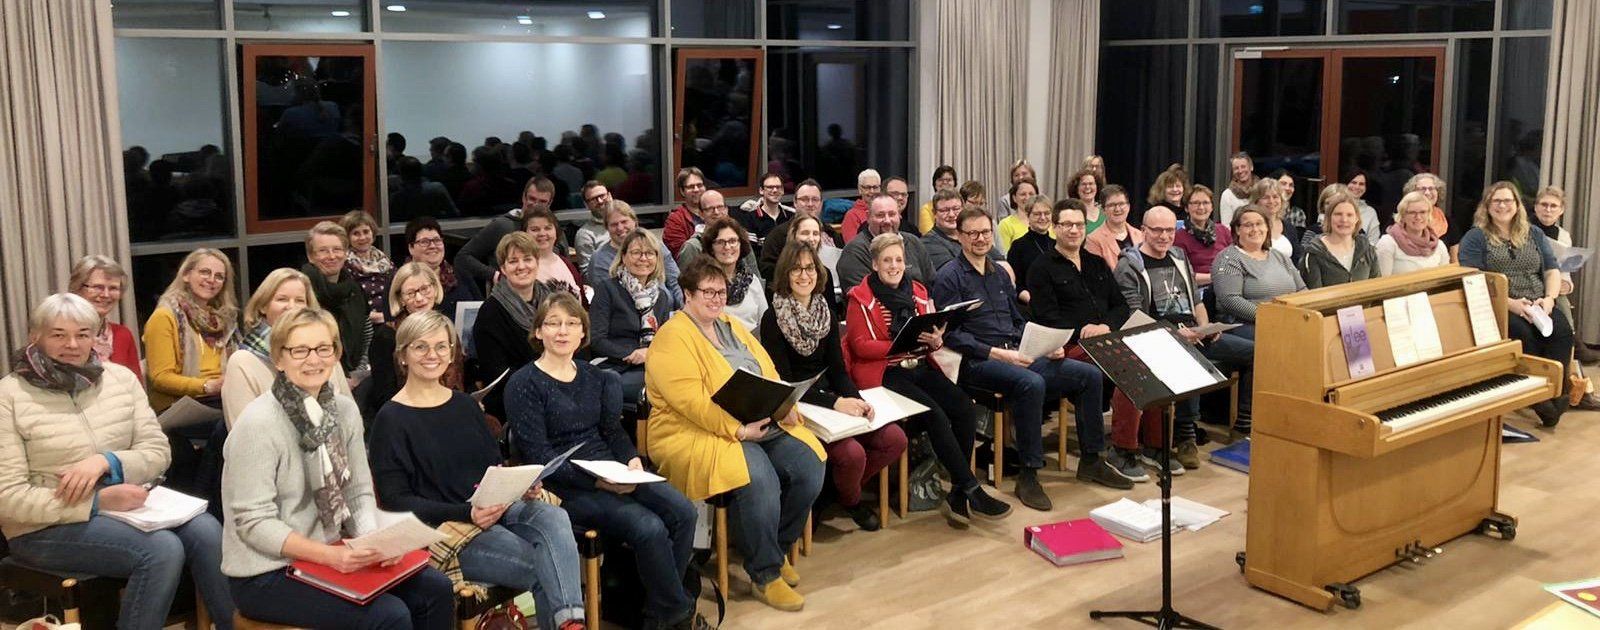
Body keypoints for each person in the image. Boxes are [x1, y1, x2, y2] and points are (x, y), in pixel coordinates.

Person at [1, 294, 236, 630]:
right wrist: (96, 502)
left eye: (83, 334)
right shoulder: (9, 395)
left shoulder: (120, 379)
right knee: (160, 550)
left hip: (129, 509)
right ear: (34, 337)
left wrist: (107, 462)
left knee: (208, 531)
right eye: (58, 335)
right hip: (44, 527)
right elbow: (8, 498)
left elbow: (157, 450)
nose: (72, 345)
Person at [222, 308, 454, 629]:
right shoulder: (258, 423)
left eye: (323, 348)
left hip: (331, 550)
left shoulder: (344, 410)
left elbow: (357, 492)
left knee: (436, 589)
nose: (313, 360)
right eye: (300, 350)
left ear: (336, 354)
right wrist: (329, 556)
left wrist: (374, 542)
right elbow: (253, 523)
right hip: (265, 571)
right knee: (389, 615)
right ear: (279, 359)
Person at [369, 310, 589, 630]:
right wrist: (466, 513)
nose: (433, 355)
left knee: (553, 515)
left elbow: (493, 466)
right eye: (420, 347)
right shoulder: (390, 419)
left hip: (494, 508)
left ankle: (570, 624)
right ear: (403, 356)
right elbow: (394, 500)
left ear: (452, 353)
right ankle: (572, 624)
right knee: (547, 568)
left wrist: (520, 484)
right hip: (448, 528)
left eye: (441, 346)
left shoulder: (465, 405)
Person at [504, 294, 703, 630]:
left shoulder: (594, 376)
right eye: (553, 323)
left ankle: (658, 612)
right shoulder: (524, 383)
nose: (562, 331)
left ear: (583, 332)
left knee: (684, 512)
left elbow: (612, 431)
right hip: (564, 485)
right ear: (538, 331)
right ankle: (677, 615)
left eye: (571, 323)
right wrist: (598, 482)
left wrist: (631, 459)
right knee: (649, 527)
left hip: (611, 467)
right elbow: (540, 457)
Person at [643, 257, 826, 612]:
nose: (716, 299)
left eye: (721, 292)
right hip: (697, 430)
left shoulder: (732, 325)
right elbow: (691, 403)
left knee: (810, 464)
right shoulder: (672, 336)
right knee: (759, 476)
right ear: (687, 294)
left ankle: (773, 548)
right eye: (708, 292)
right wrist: (737, 429)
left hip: (757, 420)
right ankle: (765, 573)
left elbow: (767, 369)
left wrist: (785, 403)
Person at [933, 208, 1106, 512]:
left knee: (1088, 375)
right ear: (959, 236)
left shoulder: (1000, 273)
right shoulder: (950, 276)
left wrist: (1045, 345)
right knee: (1031, 383)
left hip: (1015, 352)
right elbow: (951, 335)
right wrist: (999, 354)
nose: (980, 238)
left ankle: (1092, 460)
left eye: (985, 232)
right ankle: (1029, 473)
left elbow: (1017, 320)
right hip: (977, 361)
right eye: (972, 233)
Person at [842, 233, 1013, 524]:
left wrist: (936, 340)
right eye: (887, 261)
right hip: (885, 372)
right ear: (875, 264)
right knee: (935, 414)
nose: (894, 266)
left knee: (963, 406)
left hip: (919, 364)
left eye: (898, 260)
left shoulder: (918, 291)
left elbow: (930, 337)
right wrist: (900, 346)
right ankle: (971, 488)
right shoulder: (860, 297)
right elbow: (860, 346)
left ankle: (958, 489)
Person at [762, 242, 906, 532]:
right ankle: (851, 500)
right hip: (798, 403)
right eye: (796, 269)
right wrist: (836, 403)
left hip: (831, 394)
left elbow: (838, 371)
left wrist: (856, 399)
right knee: (852, 454)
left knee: (895, 438)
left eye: (810, 268)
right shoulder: (773, 318)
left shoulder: (825, 311)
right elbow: (786, 383)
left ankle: (832, 494)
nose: (804, 275)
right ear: (785, 273)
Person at [1113, 207, 1256, 462]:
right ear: (1143, 231)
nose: (1164, 236)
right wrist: (1175, 334)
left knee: (1256, 352)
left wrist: (1205, 327)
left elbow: (1196, 302)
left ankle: (1245, 421)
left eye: (1170, 230)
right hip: (1157, 337)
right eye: (1157, 230)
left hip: (1193, 332)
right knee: (1189, 356)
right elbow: (1136, 315)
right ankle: (1185, 433)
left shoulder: (1179, 256)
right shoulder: (1129, 265)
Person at [1023, 203, 1142, 486]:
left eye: (1079, 224)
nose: (1074, 230)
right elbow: (1047, 317)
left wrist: (1105, 326)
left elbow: (1120, 305)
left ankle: (1149, 445)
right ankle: (1122, 451)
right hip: (1067, 345)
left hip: (1105, 338)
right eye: (1067, 225)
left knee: (1146, 360)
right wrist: (1085, 331)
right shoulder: (1041, 268)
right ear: (1055, 228)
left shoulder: (1095, 262)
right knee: (1129, 367)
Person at [1458, 182, 1573, 427]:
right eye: (1497, 201)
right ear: (1487, 206)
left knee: (1562, 332)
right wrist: (1510, 304)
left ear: (1517, 205)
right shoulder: (1476, 237)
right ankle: (1538, 398)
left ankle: (1558, 390)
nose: (1502, 206)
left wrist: (1549, 299)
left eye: (1508, 201)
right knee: (1523, 336)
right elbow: (1474, 279)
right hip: (1499, 304)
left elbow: (1552, 269)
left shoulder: (1534, 233)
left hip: (1538, 302)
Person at [224, 268, 351, 429]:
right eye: (282, 299)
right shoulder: (243, 362)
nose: (292, 307)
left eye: (299, 300)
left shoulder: (325, 353)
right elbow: (242, 434)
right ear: (263, 306)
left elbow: (350, 419)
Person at [363, 263, 466, 417]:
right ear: (400, 299)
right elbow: (384, 397)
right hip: (407, 415)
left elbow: (459, 376)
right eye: (410, 293)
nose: (419, 298)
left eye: (425, 289)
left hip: (451, 408)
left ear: (435, 288)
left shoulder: (446, 328)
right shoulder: (386, 337)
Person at [591, 229, 680, 406]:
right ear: (623, 257)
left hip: (652, 364)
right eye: (636, 252)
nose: (643, 258)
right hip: (616, 367)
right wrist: (631, 353)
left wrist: (650, 354)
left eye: (649, 253)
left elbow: (663, 341)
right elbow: (597, 340)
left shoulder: (661, 296)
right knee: (665, 388)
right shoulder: (607, 289)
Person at [143, 248, 238, 413]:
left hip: (220, 397)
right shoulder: (164, 317)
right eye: (205, 272)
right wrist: (207, 386)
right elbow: (160, 378)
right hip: (179, 406)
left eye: (219, 276)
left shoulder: (223, 321)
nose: (211, 280)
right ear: (186, 275)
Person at [474, 231, 553, 421]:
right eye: (513, 261)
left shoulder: (553, 300)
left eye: (527, 259)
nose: (521, 266)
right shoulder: (490, 312)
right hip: (515, 399)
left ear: (537, 262)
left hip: (556, 387)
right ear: (503, 268)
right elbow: (497, 375)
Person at [1530, 186, 1597, 409]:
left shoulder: (1563, 235)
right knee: (1563, 317)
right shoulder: (1526, 228)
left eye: (1553, 206)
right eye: (1544, 205)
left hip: (1554, 288)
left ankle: (1575, 387)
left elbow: (1565, 271)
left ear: (1561, 210)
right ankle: (1575, 380)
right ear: (1535, 207)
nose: (1548, 210)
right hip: (1531, 285)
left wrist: (1567, 284)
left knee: (1563, 304)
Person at [455, 177, 567, 294]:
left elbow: (565, 259)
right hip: (509, 295)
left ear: (550, 203)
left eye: (542, 202)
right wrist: (495, 275)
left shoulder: (553, 227)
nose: (536, 205)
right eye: (532, 199)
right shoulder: (502, 226)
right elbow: (463, 257)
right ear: (524, 197)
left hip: (552, 295)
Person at [1212, 205, 1307, 338]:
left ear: (1267, 227)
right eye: (1248, 225)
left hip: (1289, 320)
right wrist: (1270, 317)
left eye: (1259, 224)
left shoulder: (1279, 256)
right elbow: (1230, 300)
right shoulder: (1229, 258)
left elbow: (1302, 289)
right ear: (1237, 230)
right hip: (1247, 325)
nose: (1255, 229)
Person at [302, 221, 372, 376]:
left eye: (337, 249)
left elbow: (366, 335)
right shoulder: (302, 292)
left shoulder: (354, 290)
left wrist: (357, 375)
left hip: (355, 375)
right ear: (310, 256)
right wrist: (339, 378)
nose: (332, 256)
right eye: (323, 251)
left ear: (346, 253)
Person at [67, 255, 142, 381]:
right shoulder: (59, 335)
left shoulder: (123, 335)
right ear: (77, 288)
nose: (106, 295)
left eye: (113, 288)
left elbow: (137, 385)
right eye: (98, 287)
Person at [838, 195, 935, 289]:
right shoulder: (854, 251)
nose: (887, 221)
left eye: (892, 214)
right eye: (880, 215)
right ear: (868, 217)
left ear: (899, 215)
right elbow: (860, 294)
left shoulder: (913, 242)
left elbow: (932, 284)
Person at [758, 179, 843, 280]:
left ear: (821, 203)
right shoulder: (778, 235)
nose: (810, 204)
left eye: (815, 199)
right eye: (804, 199)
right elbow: (766, 269)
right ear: (795, 202)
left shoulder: (831, 233)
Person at [697, 217, 769, 331]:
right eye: (720, 242)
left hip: (752, 340)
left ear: (740, 244)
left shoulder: (752, 280)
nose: (727, 247)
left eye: (732, 241)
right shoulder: (702, 283)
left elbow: (764, 322)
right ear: (711, 248)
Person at [1301, 188, 1380, 288]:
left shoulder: (1367, 249)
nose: (1344, 220)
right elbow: (1313, 293)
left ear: (1356, 219)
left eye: (1349, 215)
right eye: (1338, 214)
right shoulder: (1313, 253)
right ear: (1329, 218)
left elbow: (1377, 287)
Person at [407, 216, 480, 319]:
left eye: (437, 240)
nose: (432, 246)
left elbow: (481, 308)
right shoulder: (402, 282)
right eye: (424, 242)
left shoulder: (460, 274)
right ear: (411, 248)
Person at [922, 190, 1003, 274]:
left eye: (956, 209)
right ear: (934, 213)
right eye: (944, 210)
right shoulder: (928, 242)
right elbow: (953, 274)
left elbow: (1004, 264)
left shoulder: (973, 234)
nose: (951, 215)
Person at [1376, 190, 1452, 276]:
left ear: (1429, 215)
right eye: (1412, 213)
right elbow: (1382, 281)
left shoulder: (1439, 245)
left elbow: (1446, 279)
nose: (1418, 217)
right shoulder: (1387, 243)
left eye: (1423, 212)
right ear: (1402, 216)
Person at [676, 191, 753, 273]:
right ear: (701, 214)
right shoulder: (692, 247)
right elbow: (685, 279)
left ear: (726, 209)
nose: (716, 212)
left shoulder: (740, 238)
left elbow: (754, 273)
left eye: (720, 207)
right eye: (710, 209)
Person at [1172, 185, 1233, 287]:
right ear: (1186, 208)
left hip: (1228, 285)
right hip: (1199, 289)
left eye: (1205, 203)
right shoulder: (1179, 237)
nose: (1201, 207)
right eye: (1196, 203)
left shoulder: (1223, 231)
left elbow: (1236, 261)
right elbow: (1182, 276)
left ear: (1212, 207)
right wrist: (1216, 278)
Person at [339, 210, 393, 324]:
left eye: (366, 231)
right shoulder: (344, 265)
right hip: (365, 323)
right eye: (356, 233)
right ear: (347, 237)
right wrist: (383, 317)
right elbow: (348, 304)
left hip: (392, 316)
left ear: (372, 233)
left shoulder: (383, 260)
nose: (362, 237)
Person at [1005, 195, 1057, 303]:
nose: (1043, 217)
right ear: (1028, 216)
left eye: (1047, 213)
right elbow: (1014, 284)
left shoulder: (1057, 245)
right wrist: (1032, 301)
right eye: (1037, 214)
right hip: (1030, 304)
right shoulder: (1018, 246)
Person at [1084, 184, 1143, 265]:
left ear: (1128, 207)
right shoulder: (1093, 240)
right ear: (1103, 210)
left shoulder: (1140, 235)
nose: (1117, 209)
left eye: (1121, 204)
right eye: (1111, 205)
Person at [738, 172, 796, 244]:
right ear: (761, 190)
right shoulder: (749, 219)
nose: (775, 190)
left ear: (783, 191)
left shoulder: (792, 217)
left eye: (778, 187)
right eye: (770, 187)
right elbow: (751, 248)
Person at [663, 167, 709, 257]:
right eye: (691, 187)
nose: (696, 189)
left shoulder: (716, 211)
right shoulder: (675, 220)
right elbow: (680, 255)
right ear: (682, 191)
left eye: (699, 185)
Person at [573, 181, 614, 273]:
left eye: (602, 196)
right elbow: (587, 273)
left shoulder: (626, 223)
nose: (600, 201)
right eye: (593, 199)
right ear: (586, 205)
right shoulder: (584, 234)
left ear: (610, 196)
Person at [1402, 172, 1452, 243]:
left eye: (1431, 188)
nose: (1427, 193)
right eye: (1422, 189)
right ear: (1412, 193)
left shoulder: (1449, 222)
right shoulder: (1400, 219)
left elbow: (1455, 249)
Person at [995, 179, 1040, 255]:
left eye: (1031, 194)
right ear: (1014, 198)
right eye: (1023, 194)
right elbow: (1004, 256)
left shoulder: (1047, 222)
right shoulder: (1005, 224)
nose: (1027, 197)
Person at [838, 169, 883, 244]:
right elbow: (852, 246)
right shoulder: (852, 216)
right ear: (860, 189)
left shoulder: (885, 211)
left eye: (875, 187)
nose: (872, 191)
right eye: (867, 187)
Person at [1343, 168, 1383, 242]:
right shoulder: (1334, 207)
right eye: (1353, 182)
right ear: (1346, 184)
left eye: (1361, 184)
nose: (1357, 187)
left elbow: (1373, 241)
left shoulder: (1370, 212)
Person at [916, 165, 958, 235]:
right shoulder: (926, 209)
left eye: (949, 180)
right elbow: (929, 235)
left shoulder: (961, 206)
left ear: (954, 183)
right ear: (935, 184)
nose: (945, 183)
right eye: (940, 180)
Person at [1218, 152, 1257, 226]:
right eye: (1236, 168)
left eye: (1243, 166)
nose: (1240, 171)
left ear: (1251, 167)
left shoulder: (1261, 190)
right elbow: (1226, 226)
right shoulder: (1227, 195)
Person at [1071, 167, 1107, 234]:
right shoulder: (1072, 214)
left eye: (1091, 183)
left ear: (1097, 187)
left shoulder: (1106, 212)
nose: (1087, 187)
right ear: (1076, 188)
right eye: (1083, 184)